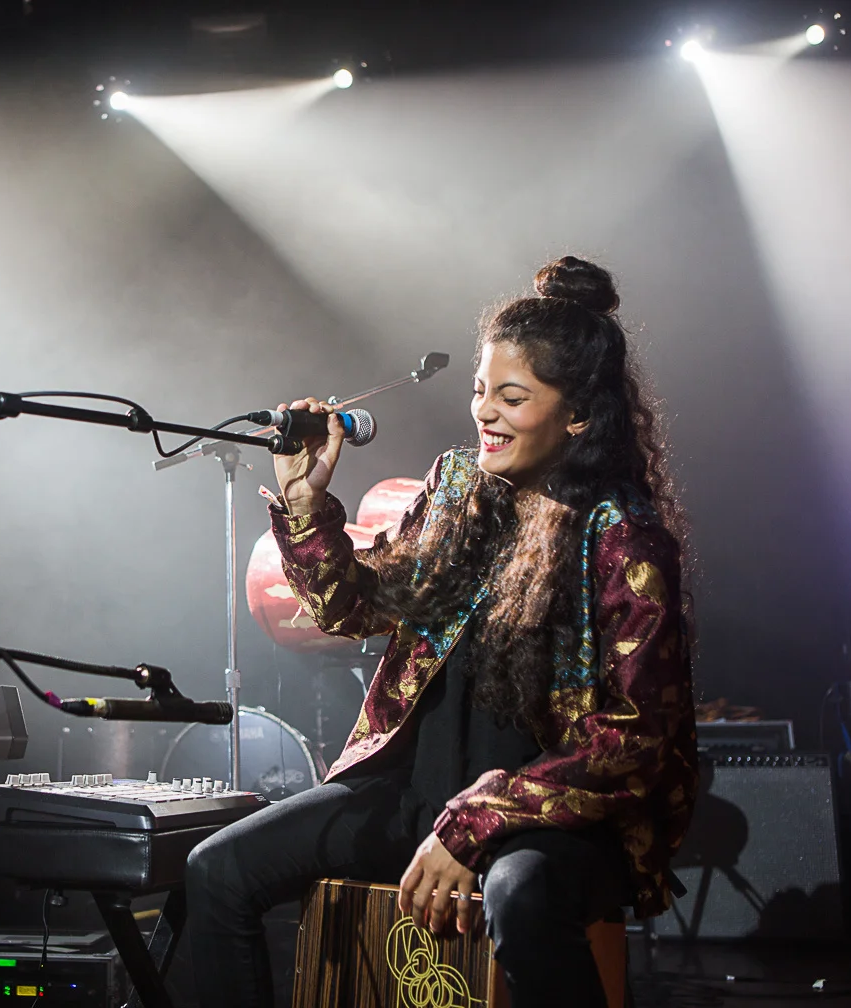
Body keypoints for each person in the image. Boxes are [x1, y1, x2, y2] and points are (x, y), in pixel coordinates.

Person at [185, 257, 697, 1007]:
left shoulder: (624, 538)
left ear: (578, 414)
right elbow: (349, 610)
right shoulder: (459, 488)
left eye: (512, 397)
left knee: (519, 894)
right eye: (480, 391)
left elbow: (634, 742)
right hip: (423, 792)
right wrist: (304, 503)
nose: (485, 413)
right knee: (215, 871)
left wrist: (477, 820)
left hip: (560, 818)